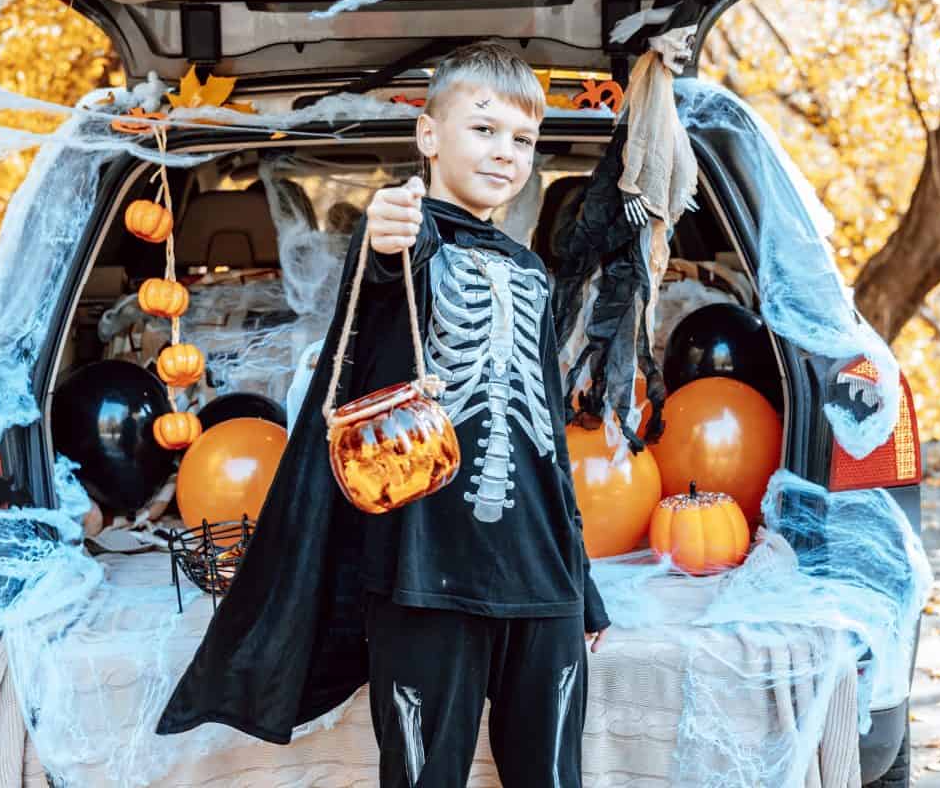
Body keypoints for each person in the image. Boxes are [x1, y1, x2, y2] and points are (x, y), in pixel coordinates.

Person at [159, 42, 609, 787]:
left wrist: (582, 584)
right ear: (428, 136)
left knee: (555, 776)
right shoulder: (409, 247)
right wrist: (383, 235)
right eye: (484, 129)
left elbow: (550, 450)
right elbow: (372, 302)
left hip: (544, 580)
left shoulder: (533, 271)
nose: (506, 153)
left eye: (524, 140)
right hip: (424, 575)